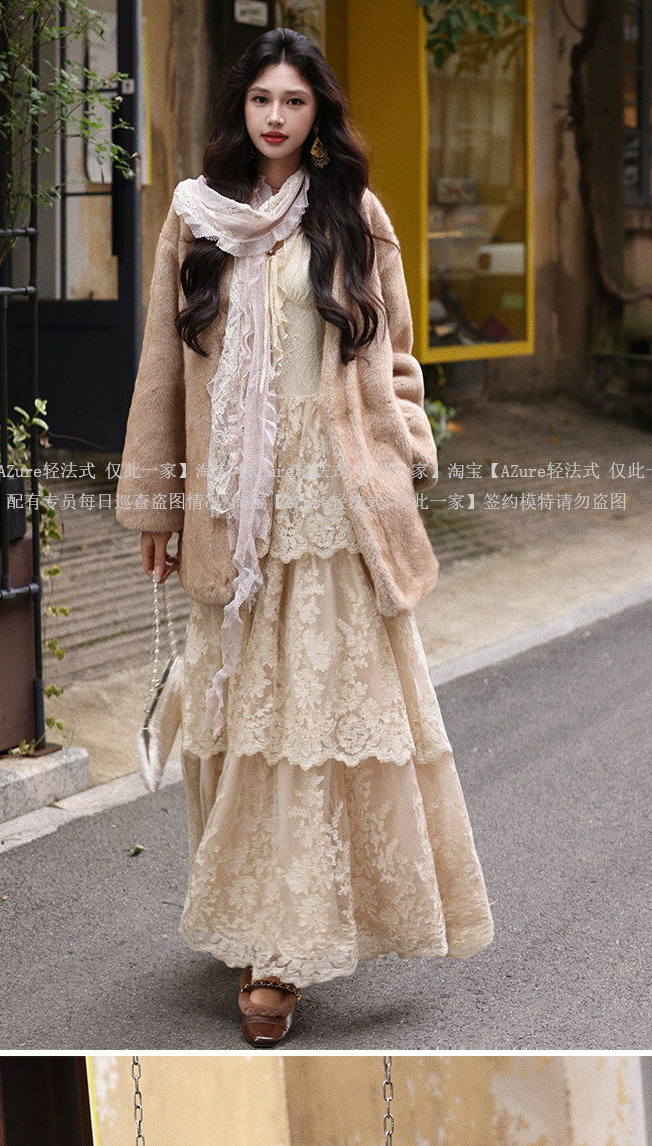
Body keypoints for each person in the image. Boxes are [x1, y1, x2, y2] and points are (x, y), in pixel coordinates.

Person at [116, 27, 494, 1048]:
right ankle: (258, 921)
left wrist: (404, 454)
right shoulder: (195, 218)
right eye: (261, 100)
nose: (277, 117)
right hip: (232, 517)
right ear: (239, 110)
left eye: (294, 100)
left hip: (333, 513)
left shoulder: (350, 213)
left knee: (317, 729)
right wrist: (155, 508)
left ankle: (281, 955)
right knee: (245, 728)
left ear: (318, 110)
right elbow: (162, 375)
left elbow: (396, 354)